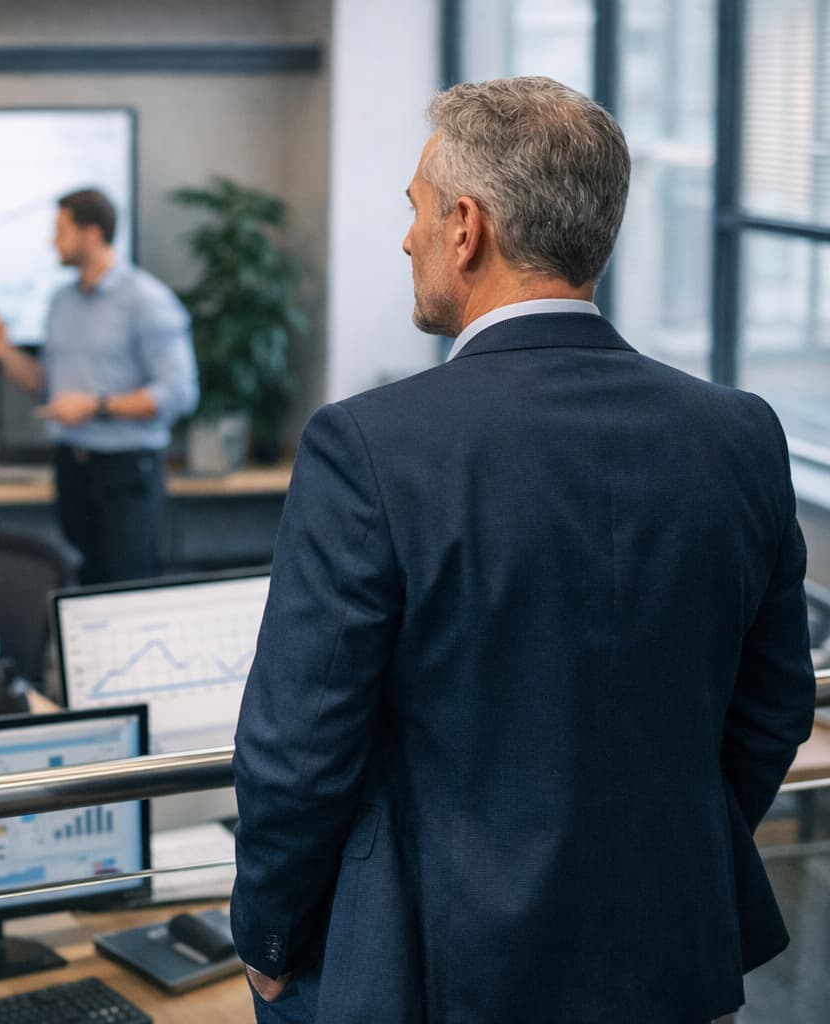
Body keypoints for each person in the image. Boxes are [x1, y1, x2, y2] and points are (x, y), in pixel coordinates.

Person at [231, 77, 815, 1023]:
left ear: (467, 228)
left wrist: (267, 941)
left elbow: (297, 752)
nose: (407, 236)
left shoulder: (370, 447)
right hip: (664, 958)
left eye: (417, 209)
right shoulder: (740, 432)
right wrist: (671, 858)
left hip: (430, 973)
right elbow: (775, 705)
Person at [0, 189, 198, 584]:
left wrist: (97, 406)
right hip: (72, 466)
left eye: (60, 231)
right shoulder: (61, 301)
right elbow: (48, 385)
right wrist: (5, 353)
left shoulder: (146, 300)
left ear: (92, 234)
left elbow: (180, 392)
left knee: (125, 589)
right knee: (85, 587)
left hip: (127, 468)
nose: (52, 242)